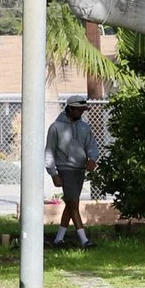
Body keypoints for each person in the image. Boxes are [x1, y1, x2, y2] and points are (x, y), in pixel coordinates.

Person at [44, 97, 99, 247]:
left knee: (70, 203)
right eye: (79, 110)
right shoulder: (55, 127)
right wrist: (53, 173)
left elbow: (91, 145)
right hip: (65, 169)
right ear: (70, 109)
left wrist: (92, 159)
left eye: (83, 110)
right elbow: (49, 151)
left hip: (80, 170)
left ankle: (58, 239)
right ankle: (84, 240)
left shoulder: (84, 127)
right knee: (73, 203)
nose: (81, 112)